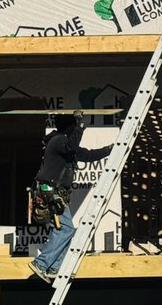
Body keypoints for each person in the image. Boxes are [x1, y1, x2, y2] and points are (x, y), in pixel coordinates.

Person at [28, 111, 112, 285]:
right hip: (50, 191)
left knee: (64, 230)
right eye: (74, 126)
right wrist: (80, 127)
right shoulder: (58, 140)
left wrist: (108, 150)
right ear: (70, 127)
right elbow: (72, 147)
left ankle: (54, 268)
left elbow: (87, 155)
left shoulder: (65, 145)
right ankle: (41, 263)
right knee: (65, 229)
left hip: (53, 192)